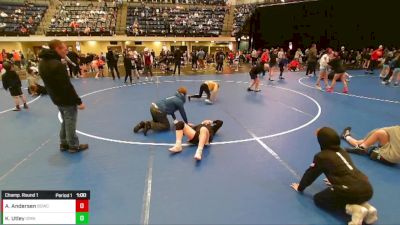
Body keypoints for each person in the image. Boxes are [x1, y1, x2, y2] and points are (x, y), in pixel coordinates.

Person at [291, 127, 378, 225]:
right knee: (350, 194)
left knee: (319, 199)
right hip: (367, 187)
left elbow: (310, 174)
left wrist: (300, 187)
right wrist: (335, 182)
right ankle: (368, 209)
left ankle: (355, 210)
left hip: (351, 190)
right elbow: (343, 170)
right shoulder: (342, 151)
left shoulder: (322, 156)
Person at [39, 39, 88, 153]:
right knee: (70, 121)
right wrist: (78, 101)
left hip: (55, 98)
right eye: (64, 49)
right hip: (66, 99)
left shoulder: (42, 63)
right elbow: (67, 86)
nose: (66, 51)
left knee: (65, 121)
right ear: (57, 49)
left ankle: (64, 143)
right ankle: (73, 145)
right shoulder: (57, 65)